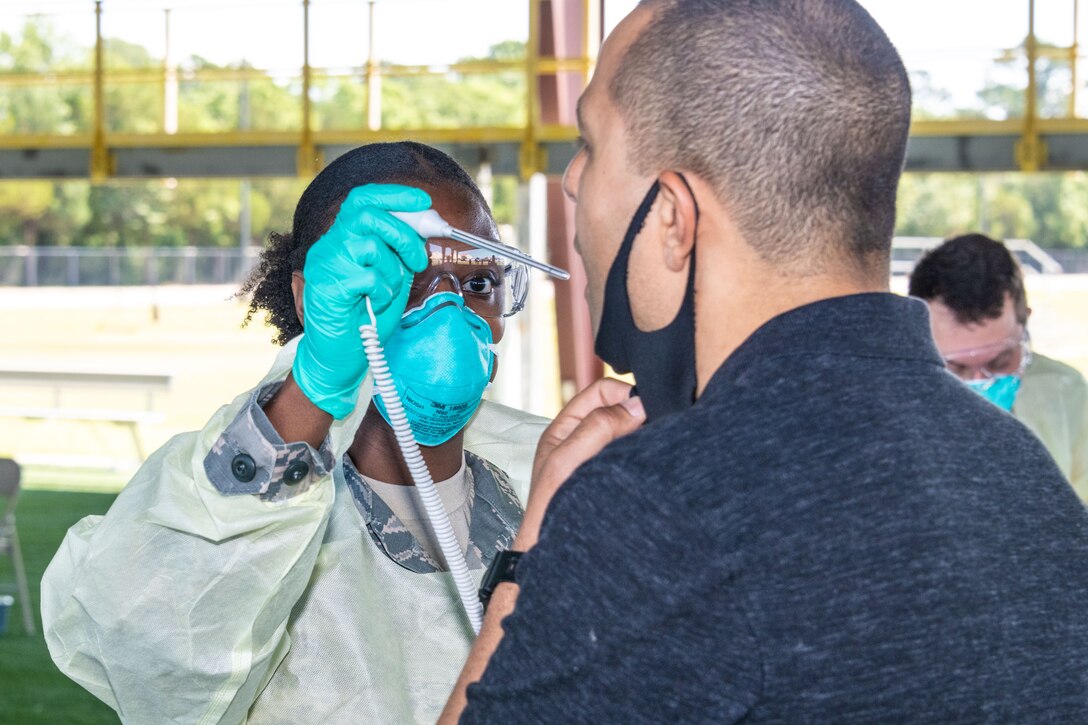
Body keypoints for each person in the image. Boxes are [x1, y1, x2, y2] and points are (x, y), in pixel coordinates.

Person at [441, 1, 1088, 722]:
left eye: (589, 142)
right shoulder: (1024, 477)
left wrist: (534, 554)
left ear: (673, 220)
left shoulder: (660, 505)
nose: (569, 181)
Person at [41, 141, 548, 724]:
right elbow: (163, 664)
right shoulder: (228, 504)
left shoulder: (555, 471)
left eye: (478, 283)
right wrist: (315, 388)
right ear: (317, 298)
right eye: (404, 281)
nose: (450, 310)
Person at [909, 233, 1088, 499]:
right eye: (956, 369)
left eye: (1000, 362)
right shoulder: (892, 405)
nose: (981, 381)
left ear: (1025, 321)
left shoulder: (1067, 394)